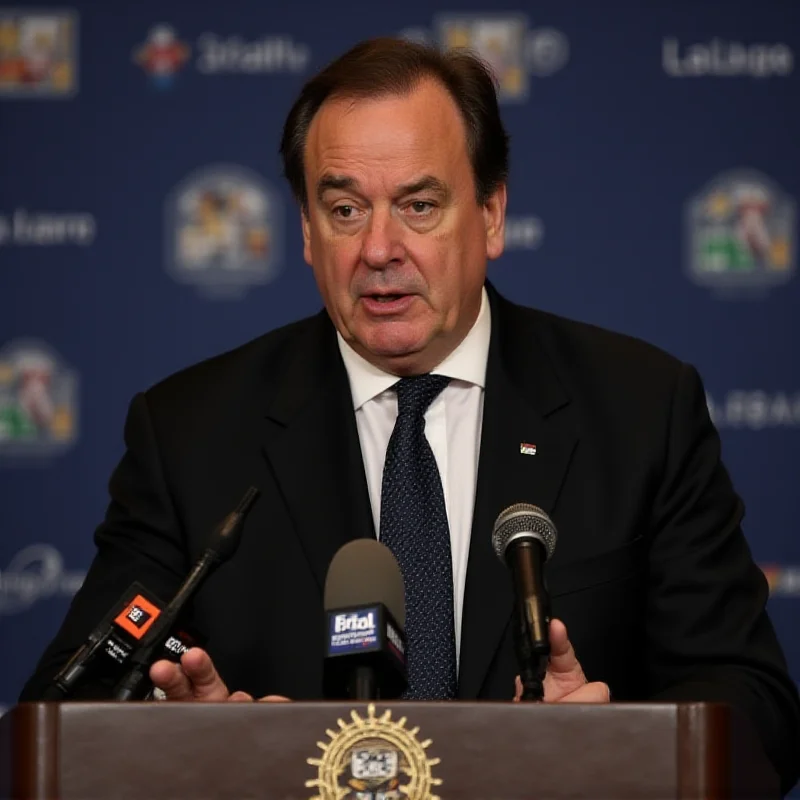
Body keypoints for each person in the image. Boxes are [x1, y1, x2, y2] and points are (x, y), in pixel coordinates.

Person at [20, 37, 799, 793]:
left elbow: (756, 707)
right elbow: (61, 712)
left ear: (491, 214)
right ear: (304, 229)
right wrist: (189, 745)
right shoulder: (191, 432)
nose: (379, 248)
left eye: (419, 205)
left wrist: (610, 748)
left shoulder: (638, 409)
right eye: (345, 209)